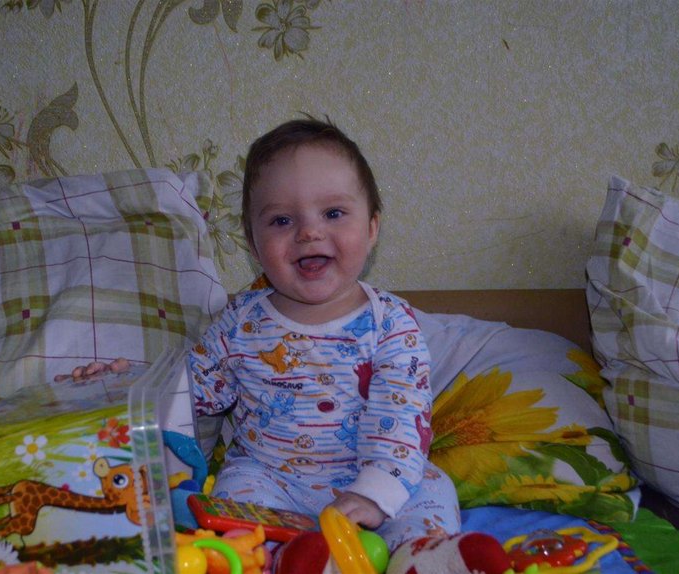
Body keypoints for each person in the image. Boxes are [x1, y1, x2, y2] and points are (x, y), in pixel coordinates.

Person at [62, 118, 509, 574]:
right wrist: (125, 384)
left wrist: (375, 494)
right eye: (281, 220)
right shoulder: (240, 321)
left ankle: (423, 556)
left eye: (333, 213)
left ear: (372, 227)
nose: (308, 232)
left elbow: (402, 418)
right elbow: (193, 387)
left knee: (430, 487)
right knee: (233, 496)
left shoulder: (391, 323)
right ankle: (294, 560)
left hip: (372, 473)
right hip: (271, 479)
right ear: (254, 245)